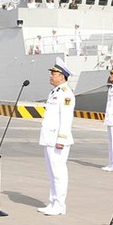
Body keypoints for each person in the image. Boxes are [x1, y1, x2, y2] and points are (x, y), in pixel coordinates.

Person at [38, 58, 75, 215]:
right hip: (49, 138)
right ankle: (53, 202)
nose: (51, 76)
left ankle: (60, 205)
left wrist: (61, 139)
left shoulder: (66, 94)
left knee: (59, 173)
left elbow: (66, 119)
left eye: (53, 73)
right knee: (52, 173)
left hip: (58, 140)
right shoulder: (54, 92)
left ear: (62, 76)